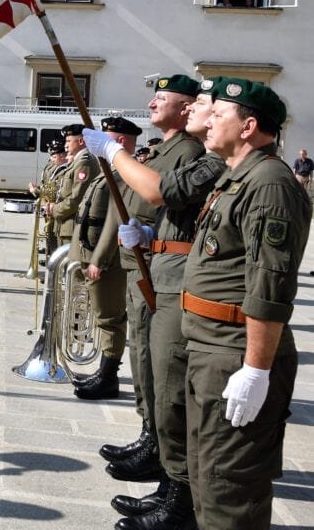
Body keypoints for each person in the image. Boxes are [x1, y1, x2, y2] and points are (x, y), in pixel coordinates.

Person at [84, 77, 227, 528]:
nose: (156, 104)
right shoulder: (202, 158)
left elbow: (160, 194)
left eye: (205, 106)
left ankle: (177, 494)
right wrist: (150, 238)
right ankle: (168, 477)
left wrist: (113, 153)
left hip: (182, 284)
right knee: (154, 376)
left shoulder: (205, 158)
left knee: (170, 389)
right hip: (159, 267)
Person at [183, 78, 307, 529]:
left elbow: (269, 285)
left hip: (235, 352)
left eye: (220, 114)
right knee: (207, 484)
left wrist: (255, 370)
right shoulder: (236, 175)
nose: (208, 119)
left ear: (249, 125)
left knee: (230, 494)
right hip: (209, 348)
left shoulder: (270, 183)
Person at [98, 75, 204, 489]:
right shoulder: (163, 148)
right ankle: (150, 435)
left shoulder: (189, 150)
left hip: (162, 263)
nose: (153, 103)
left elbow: (164, 196)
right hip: (146, 256)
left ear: (186, 106)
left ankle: (163, 448)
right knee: (142, 353)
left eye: (163, 98)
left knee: (159, 363)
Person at [69, 117, 140, 402]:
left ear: (119, 142)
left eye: (105, 138)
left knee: (110, 318)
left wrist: (99, 258)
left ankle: (108, 378)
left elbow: (116, 220)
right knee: (102, 316)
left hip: (107, 260)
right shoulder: (108, 170)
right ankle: (103, 371)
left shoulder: (122, 173)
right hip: (91, 253)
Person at [48, 124, 101, 250]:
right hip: (66, 224)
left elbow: (77, 198)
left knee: (70, 267)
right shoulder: (78, 161)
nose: (65, 145)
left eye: (68, 141)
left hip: (72, 225)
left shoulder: (84, 162)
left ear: (81, 141)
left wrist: (55, 209)